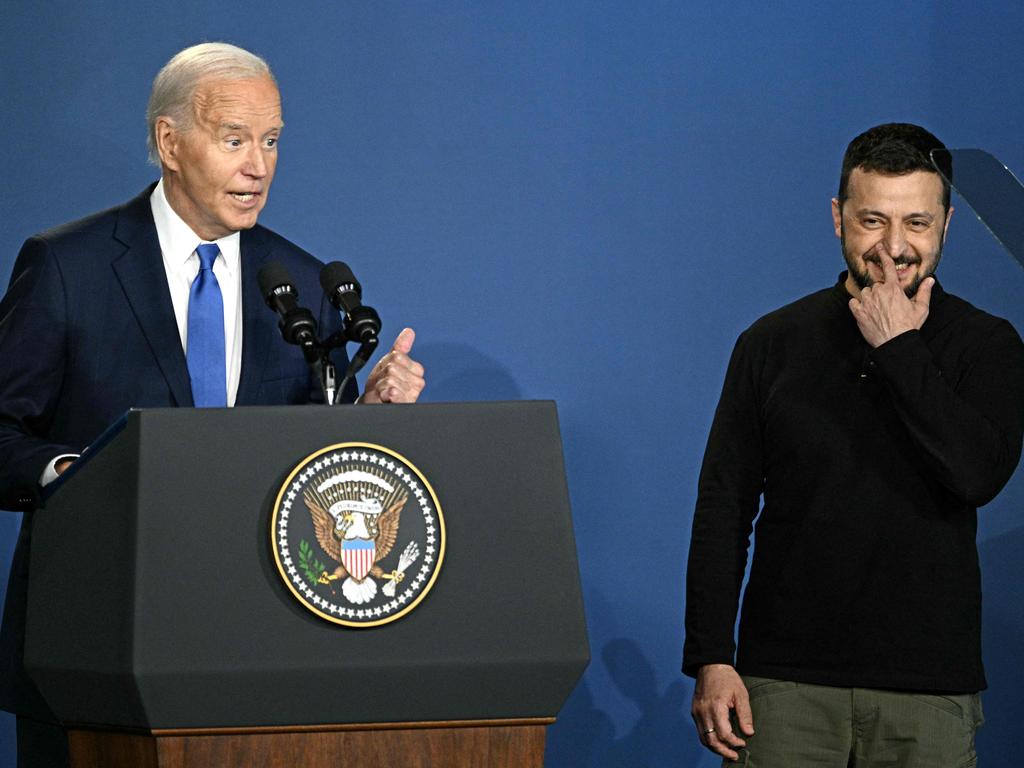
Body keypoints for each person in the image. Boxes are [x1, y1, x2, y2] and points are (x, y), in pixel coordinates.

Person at [0, 42, 425, 766]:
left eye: (271, 140)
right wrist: (73, 475)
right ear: (170, 142)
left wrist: (370, 417)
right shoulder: (68, 266)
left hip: (257, 649)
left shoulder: (303, 283)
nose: (258, 165)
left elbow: (318, 465)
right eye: (234, 139)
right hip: (92, 645)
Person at [683, 123, 1024, 766]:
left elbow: (976, 475)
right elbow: (723, 508)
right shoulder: (772, 343)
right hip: (784, 687)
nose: (894, 247)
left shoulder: (989, 346)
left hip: (928, 690)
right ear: (838, 219)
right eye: (873, 220)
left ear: (946, 224)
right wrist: (711, 656)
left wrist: (900, 350)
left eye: (917, 223)